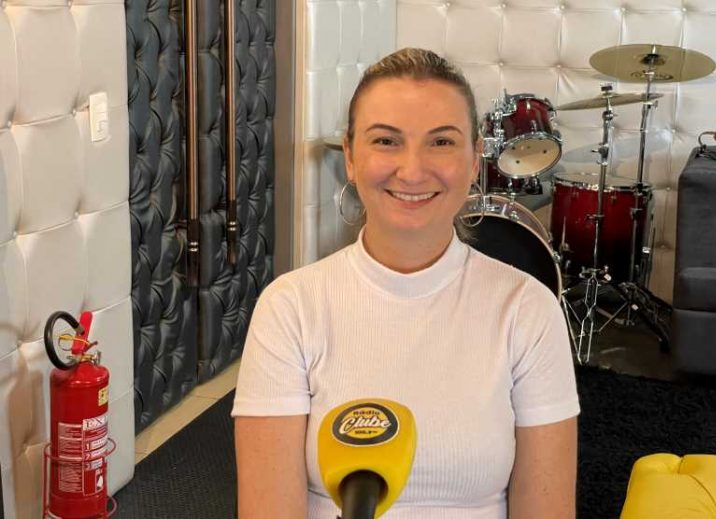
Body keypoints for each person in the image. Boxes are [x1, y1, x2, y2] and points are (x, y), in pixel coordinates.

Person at [232, 48, 579, 518]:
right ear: (350, 156)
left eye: (441, 142)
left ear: (475, 159)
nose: (413, 171)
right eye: (386, 141)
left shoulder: (527, 309)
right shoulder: (290, 308)